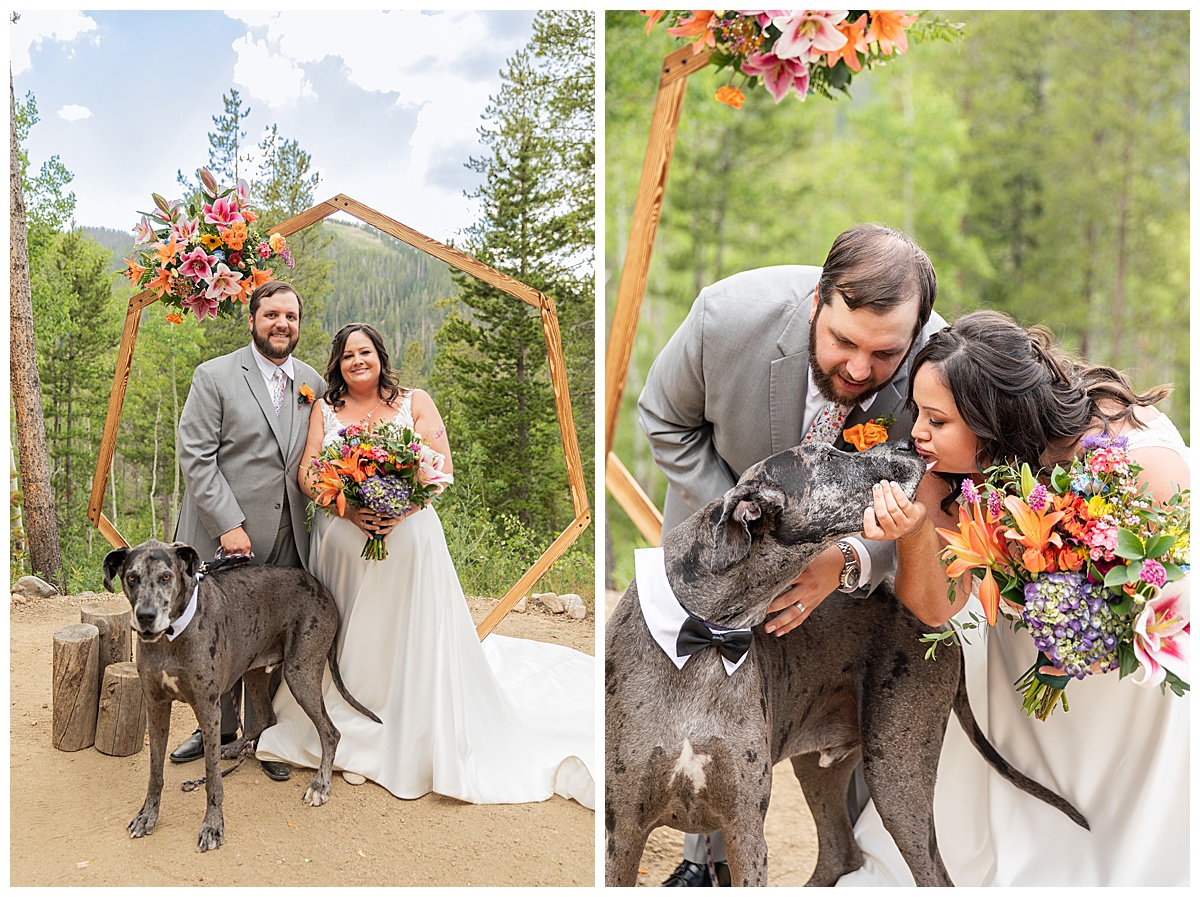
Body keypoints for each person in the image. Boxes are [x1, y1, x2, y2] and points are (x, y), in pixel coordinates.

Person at [637, 224, 945, 886]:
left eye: (885, 353)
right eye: (842, 341)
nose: (859, 369)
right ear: (816, 300)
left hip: (851, 582)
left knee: (857, 709)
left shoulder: (940, 364)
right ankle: (706, 864)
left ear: (915, 336)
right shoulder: (725, 317)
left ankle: (860, 861)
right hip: (721, 554)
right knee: (706, 706)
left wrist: (848, 558)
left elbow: (934, 484)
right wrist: (747, 531)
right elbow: (664, 416)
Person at [839, 309, 1189, 886]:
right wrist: (917, 532)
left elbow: (1177, 566)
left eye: (937, 420)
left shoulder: (1128, 452)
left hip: (1137, 667)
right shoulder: (941, 471)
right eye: (917, 414)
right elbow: (934, 608)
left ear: (995, 422)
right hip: (1022, 673)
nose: (917, 434)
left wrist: (1091, 618)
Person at [255, 323, 595, 809]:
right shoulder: (324, 410)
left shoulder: (415, 401)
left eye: (365, 352)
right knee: (349, 629)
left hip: (410, 540)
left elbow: (441, 467)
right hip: (341, 541)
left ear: (380, 356)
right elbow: (307, 471)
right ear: (337, 363)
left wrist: (398, 508)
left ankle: (404, 725)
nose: (357, 361)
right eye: (347, 354)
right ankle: (345, 720)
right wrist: (350, 509)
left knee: (404, 630)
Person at [170, 281, 326, 782]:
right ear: (253, 318)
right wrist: (228, 524)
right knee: (211, 632)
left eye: (292, 317)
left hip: (285, 535)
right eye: (272, 314)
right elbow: (195, 455)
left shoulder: (311, 383)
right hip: (222, 532)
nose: (283, 324)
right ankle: (216, 728)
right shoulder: (214, 375)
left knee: (266, 633)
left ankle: (267, 736)